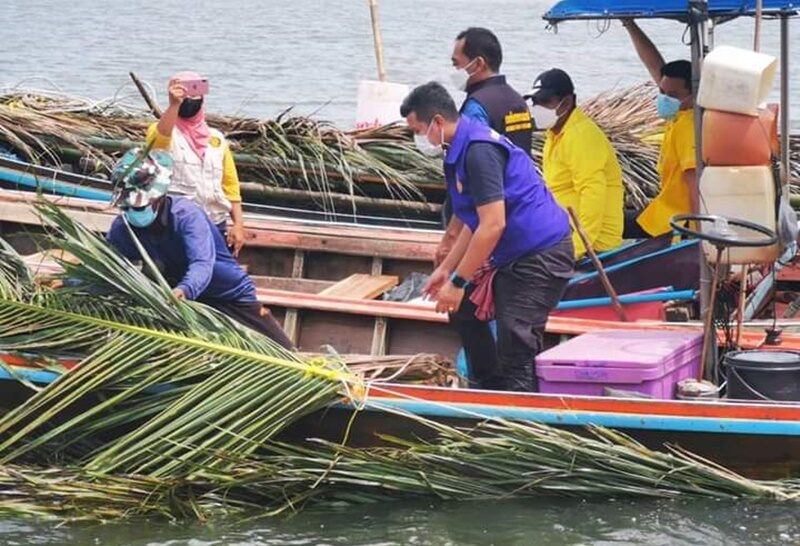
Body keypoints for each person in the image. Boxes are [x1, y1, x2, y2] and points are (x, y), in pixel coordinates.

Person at [402, 82, 574, 392]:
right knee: (464, 309)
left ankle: (519, 414)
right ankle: (486, 386)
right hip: (511, 252)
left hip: (540, 253)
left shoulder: (479, 151)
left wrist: (457, 283)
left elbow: (492, 225)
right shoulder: (459, 148)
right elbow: (472, 219)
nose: (419, 139)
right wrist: (446, 270)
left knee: (515, 339)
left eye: (418, 131)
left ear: (438, 122)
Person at [106, 148, 293, 349]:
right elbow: (106, 264)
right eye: (128, 207)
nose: (134, 212)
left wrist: (184, 289)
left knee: (281, 351)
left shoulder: (186, 216)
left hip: (227, 295)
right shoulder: (124, 228)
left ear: (159, 197)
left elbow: (202, 263)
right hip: (180, 304)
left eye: (140, 207)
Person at [438, 27, 533, 265]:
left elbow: (470, 180)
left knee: (468, 289)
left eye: (456, 64)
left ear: (478, 63)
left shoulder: (475, 108)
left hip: (481, 217)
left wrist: (451, 236)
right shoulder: (517, 101)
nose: (455, 71)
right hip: (515, 210)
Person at [525, 68, 624, 258]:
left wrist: (577, 249)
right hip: (563, 233)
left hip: (594, 246)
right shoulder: (554, 134)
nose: (537, 108)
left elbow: (592, 194)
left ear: (567, 102)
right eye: (535, 102)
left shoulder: (581, 136)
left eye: (545, 102)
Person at [146, 71, 246, 256]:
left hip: (215, 223)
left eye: (194, 93)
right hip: (176, 223)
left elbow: (230, 187)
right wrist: (174, 105)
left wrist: (238, 225)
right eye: (184, 93)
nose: (190, 99)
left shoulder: (216, 139)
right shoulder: (164, 130)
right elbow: (160, 142)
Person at [621, 19, 698, 239]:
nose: (664, 99)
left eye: (671, 95)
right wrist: (629, 24)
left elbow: (695, 183)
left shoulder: (690, 126)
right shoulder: (679, 112)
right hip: (660, 212)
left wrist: (698, 236)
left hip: (676, 223)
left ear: (692, 95)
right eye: (662, 92)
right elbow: (653, 64)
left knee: (613, 226)